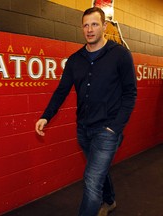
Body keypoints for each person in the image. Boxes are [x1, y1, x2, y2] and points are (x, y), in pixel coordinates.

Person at [35, 7, 137, 216]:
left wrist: (114, 128)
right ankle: (109, 201)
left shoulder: (120, 55)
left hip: (107, 130)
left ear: (104, 26)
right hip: (83, 130)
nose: (90, 29)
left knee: (91, 181)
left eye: (95, 24)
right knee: (98, 171)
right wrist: (46, 116)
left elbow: (130, 93)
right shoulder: (75, 60)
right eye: (86, 25)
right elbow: (62, 91)